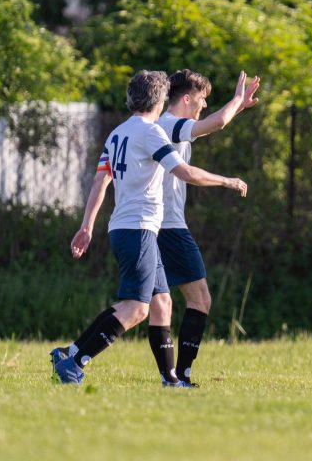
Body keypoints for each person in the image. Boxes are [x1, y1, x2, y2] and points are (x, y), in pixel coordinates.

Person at [52, 69, 248, 386]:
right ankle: (75, 362)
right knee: (136, 308)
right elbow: (184, 172)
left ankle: (170, 379)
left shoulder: (117, 133)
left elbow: (101, 180)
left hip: (127, 228)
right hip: (139, 228)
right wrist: (226, 180)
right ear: (159, 99)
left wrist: (87, 225)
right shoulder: (151, 132)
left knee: (162, 303)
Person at [156, 68, 260, 386]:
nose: (203, 105)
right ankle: (180, 376)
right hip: (169, 226)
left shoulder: (166, 126)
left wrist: (238, 106)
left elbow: (211, 124)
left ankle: (76, 354)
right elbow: (216, 123)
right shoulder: (171, 124)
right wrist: (236, 100)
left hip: (157, 224)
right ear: (186, 98)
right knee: (199, 299)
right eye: (201, 99)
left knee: (148, 304)